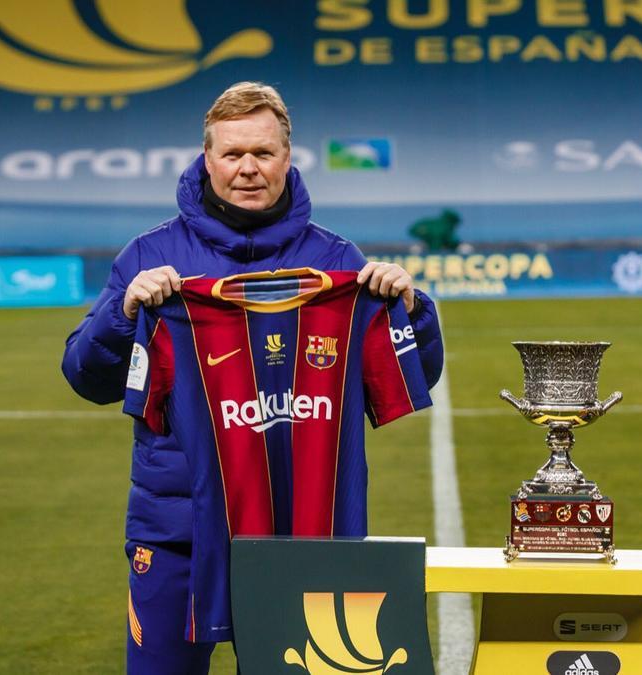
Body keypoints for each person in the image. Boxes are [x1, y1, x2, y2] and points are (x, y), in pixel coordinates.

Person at [61, 82, 444, 675]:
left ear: (287, 158)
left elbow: (411, 376)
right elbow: (86, 377)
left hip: (301, 533)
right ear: (207, 158)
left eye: (262, 153)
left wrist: (413, 309)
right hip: (178, 528)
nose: (247, 168)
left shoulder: (338, 261)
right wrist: (124, 313)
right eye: (233, 154)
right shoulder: (148, 257)